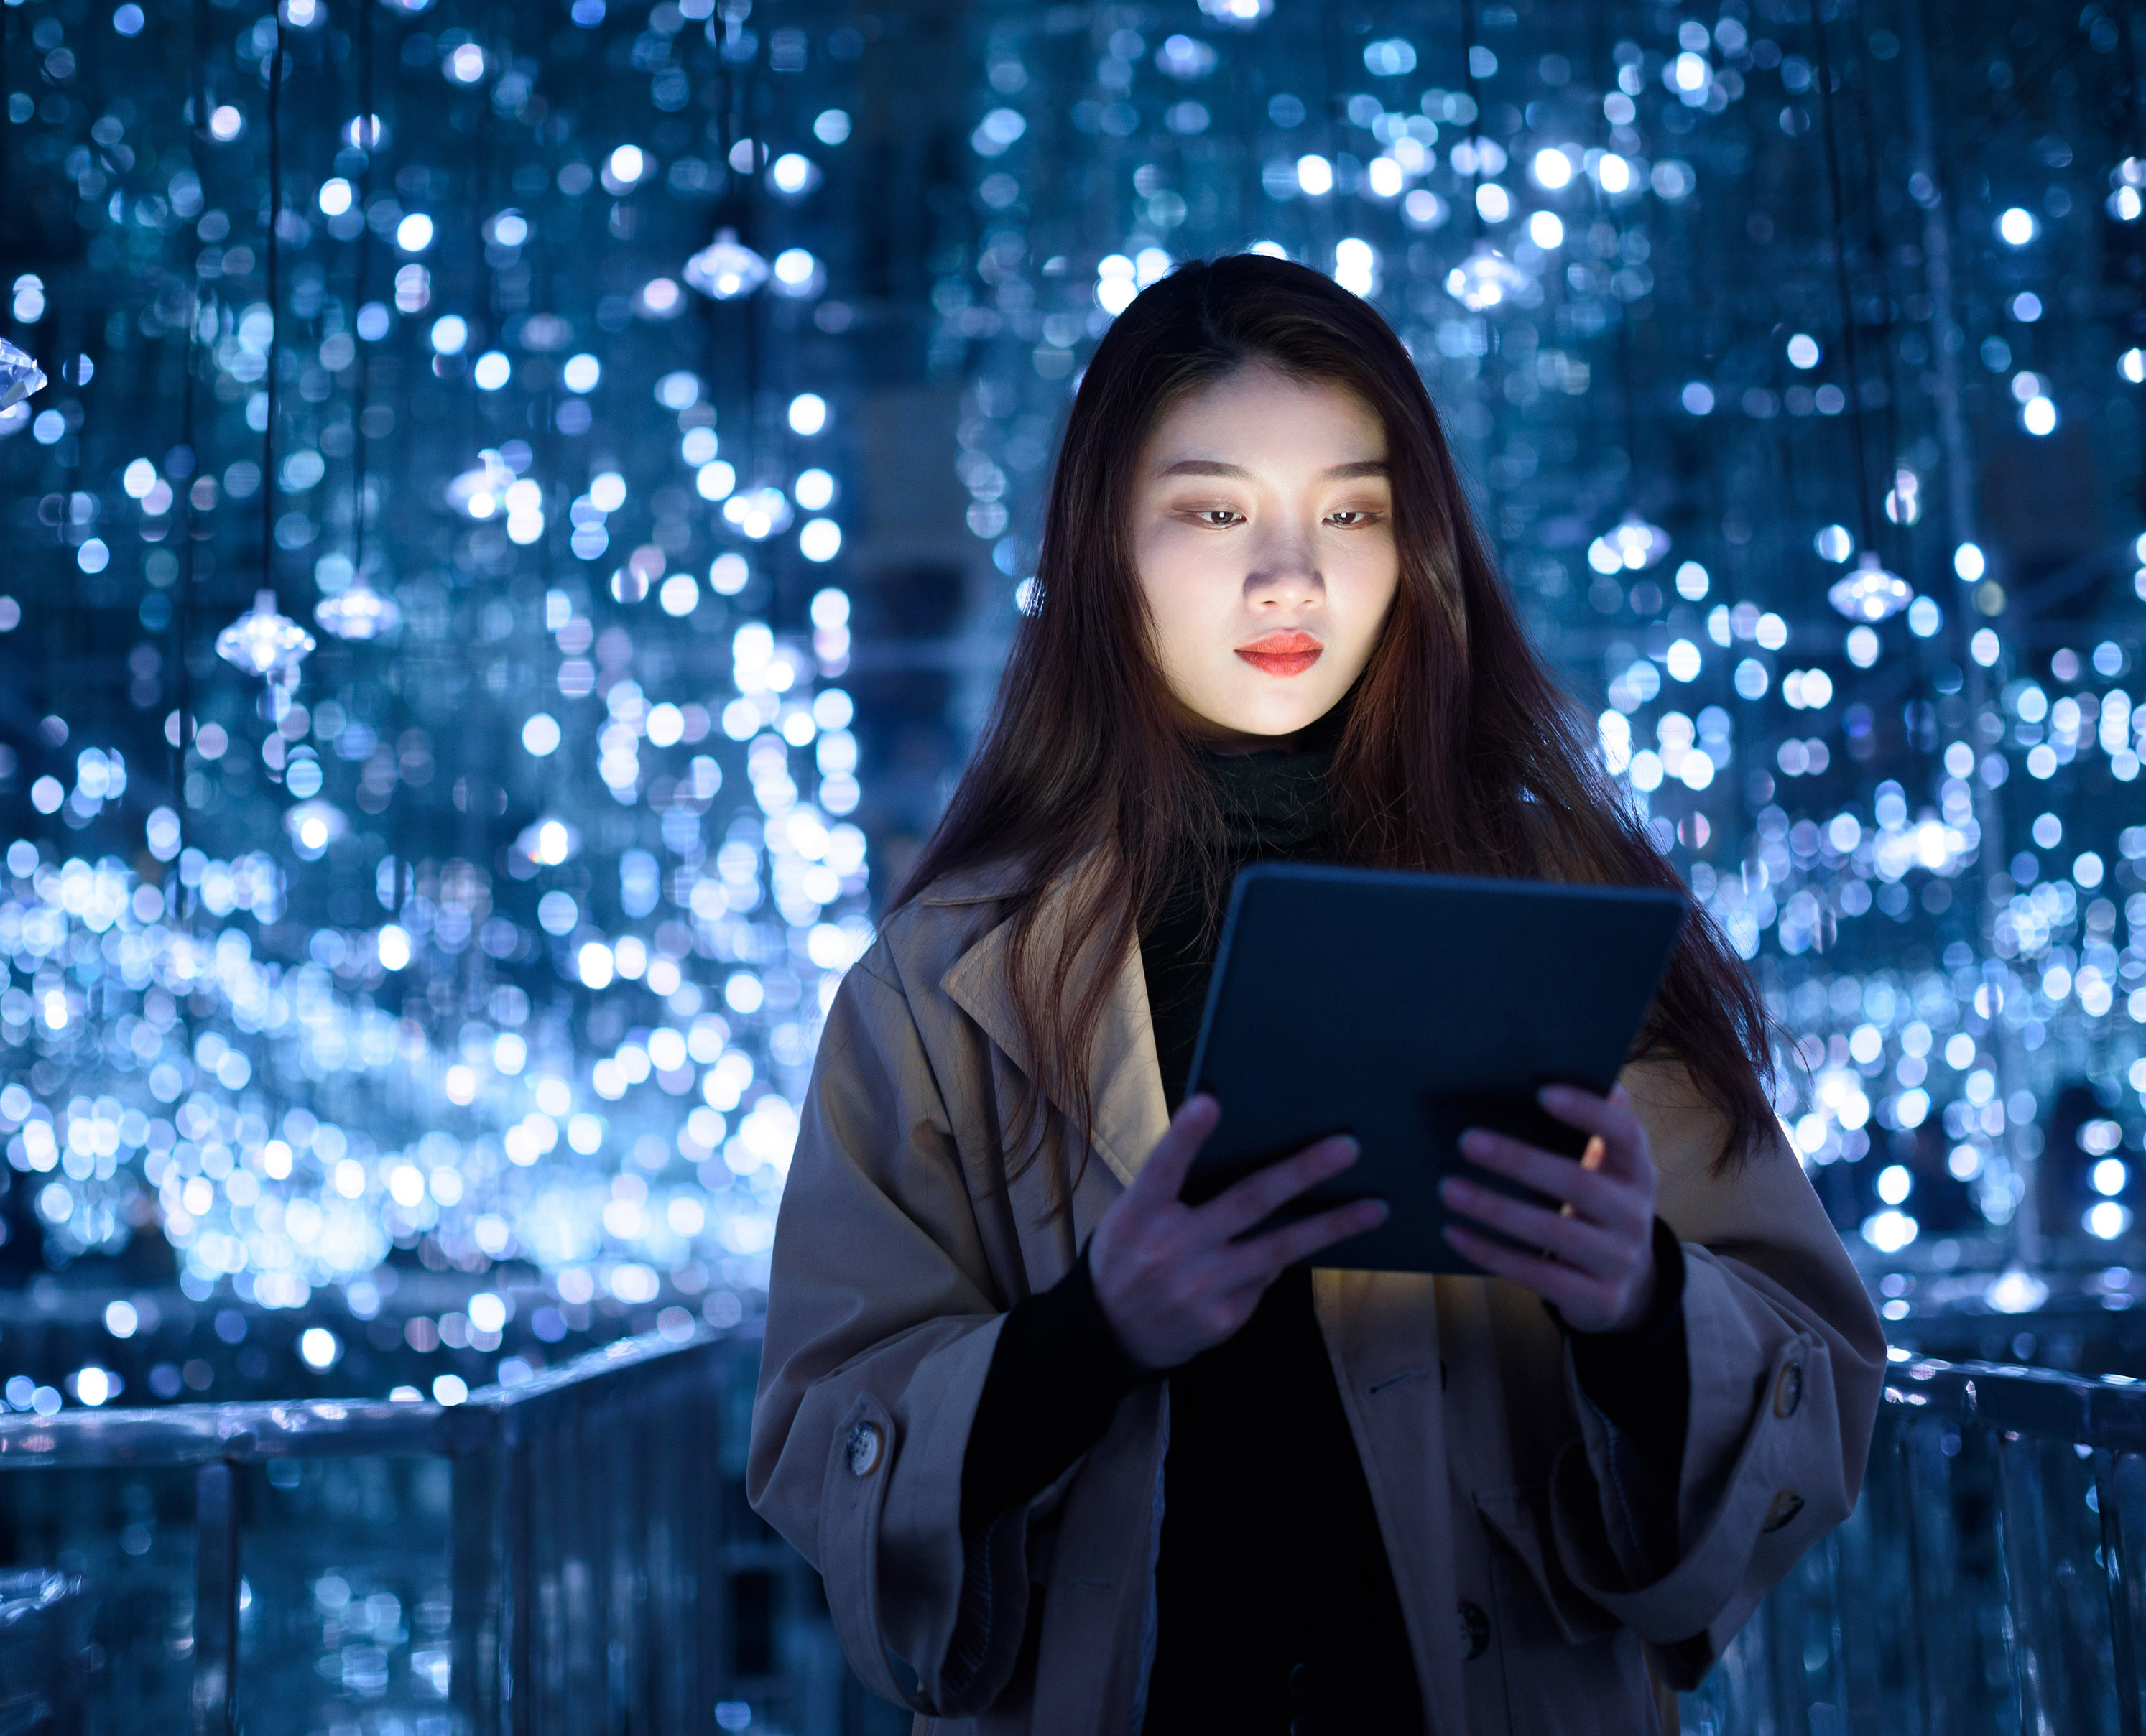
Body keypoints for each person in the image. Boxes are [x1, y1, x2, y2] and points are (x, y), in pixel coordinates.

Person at [747, 254, 1884, 1734]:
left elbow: (1823, 1386)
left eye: (1351, 511)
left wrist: (1645, 1304)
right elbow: (820, 1444)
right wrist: (1091, 1331)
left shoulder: (1561, 911)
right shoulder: (947, 979)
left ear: (1419, 546)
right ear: (1104, 547)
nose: (1290, 575)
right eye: (1215, 511)